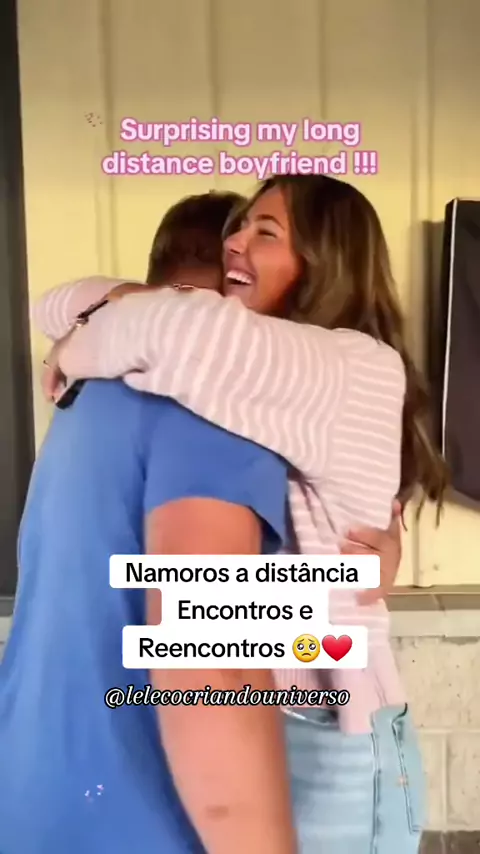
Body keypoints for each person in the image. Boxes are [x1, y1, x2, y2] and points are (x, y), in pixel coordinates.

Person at [35, 177, 445, 853]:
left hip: (330, 733)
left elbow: (178, 330)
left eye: (267, 232)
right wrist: (112, 306)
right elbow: (52, 303)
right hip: (270, 713)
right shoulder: (257, 385)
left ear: (326, 263)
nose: (236, 241)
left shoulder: (354, 365)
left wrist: (88, 336)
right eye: (240, 225)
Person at [0, 191, 300, 854]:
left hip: (30, 789)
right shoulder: (218, 397)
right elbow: (209, 669)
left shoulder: (87, 395)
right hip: (140, 813)